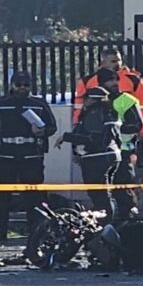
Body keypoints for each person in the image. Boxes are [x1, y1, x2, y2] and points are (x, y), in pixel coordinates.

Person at [0, 70, 57, 245]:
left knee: (34, 196)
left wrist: (43, 131)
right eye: (19, 85)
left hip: (31, 155)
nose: (22, 88)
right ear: (11, 85)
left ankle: (37, 233)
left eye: (26, 85)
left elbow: (52, 127)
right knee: (2, 196)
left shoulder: (39, 104)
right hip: (5, 155)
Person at [57, 86, 123, 217]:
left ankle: (105, 222)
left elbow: (93, 139)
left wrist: (67, 137)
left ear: (93, 100)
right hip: (112, 155)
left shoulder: (94, 114)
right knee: (105, 192)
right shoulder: (110, 112)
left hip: (97, 158)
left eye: (85, 98)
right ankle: (109, 219)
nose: (84, 102)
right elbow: (116, 138)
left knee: (98, 194)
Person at [74, 48, 143, 141]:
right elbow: (79, 107)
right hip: (96, 131)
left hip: (127, 131)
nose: (118, 63)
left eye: (119, 60)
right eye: (113, 61)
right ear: (103, 62)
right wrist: (77, 127)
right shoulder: (87, 81)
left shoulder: (134, 79)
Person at [99, 68, 143, 220]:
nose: (113, 83)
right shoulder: (96, 101)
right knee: (102, 192)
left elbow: (136, 125)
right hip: (101, 152)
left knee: (123, 189)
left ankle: (128, 218)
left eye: (115, 79)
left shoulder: (127, 100)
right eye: (109, 80)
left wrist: (116, 127)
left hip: (123, 151)